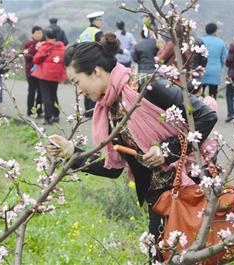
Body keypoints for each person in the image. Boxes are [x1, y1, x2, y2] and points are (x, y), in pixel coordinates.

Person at [47, 33, 217, 241]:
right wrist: (71, 152)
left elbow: (205, 116)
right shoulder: (108, 109)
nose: (78, 90)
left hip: (193, 184)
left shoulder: (147, 85)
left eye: (76, 81)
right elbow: (112, 168)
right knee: (162, 255)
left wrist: (166, 151)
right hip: (160, 197)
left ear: (96, 72)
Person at [32, 28, 67, 125]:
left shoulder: (45, 46)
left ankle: (48, 117)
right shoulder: (61, 47)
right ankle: (56, 115)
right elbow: (61, 60)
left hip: (45, 74)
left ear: (46, 36)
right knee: (53, 94)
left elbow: (35, 59)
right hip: (56, 74)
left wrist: (39, 49)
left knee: (46, 95)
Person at [79, 11, 104, 117]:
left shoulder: (84, 33)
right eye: (100, 20)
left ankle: (88, 109)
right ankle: (94, 109)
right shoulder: (98, 32)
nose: (101, 22)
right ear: (95, 21)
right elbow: (103, 47)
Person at [200, 23, 228, 99]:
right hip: (215, 71)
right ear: (215, 31)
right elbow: (224, 58)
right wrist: (220, 66)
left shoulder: (201, 41)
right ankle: (212, 110)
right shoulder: (221, 43)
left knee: (199, 93)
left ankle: (200, 110)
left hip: (202, 70)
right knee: (213, 94)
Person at [24, 26, 44, 118]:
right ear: (32, 34)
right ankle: (30, 111)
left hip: (41, 72)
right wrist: (36, 48)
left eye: (40, 33)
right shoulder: (29, 44)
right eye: (37, 33)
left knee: (41, 92)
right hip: (31, 72)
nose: (39, 35)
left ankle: (39, 111)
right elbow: (27, 56)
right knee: (32, 92)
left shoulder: (44, 43)